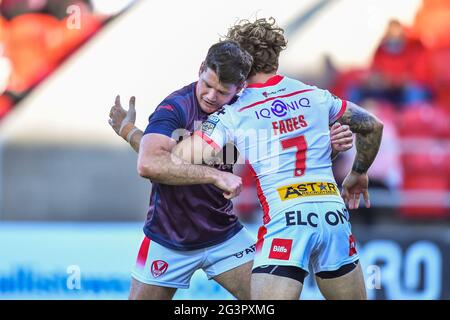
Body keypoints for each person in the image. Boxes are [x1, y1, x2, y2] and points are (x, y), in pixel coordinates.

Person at [109, 40, 353, 300]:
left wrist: (331, 148)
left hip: (224, 235)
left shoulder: (245, 111)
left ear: (240, 88)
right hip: (169, 237)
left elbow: (289, 155)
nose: (211, 96)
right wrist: (216, 175)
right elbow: (149, 163)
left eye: (222, 91)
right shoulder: (175, 107)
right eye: (208, 85)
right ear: (201, 69)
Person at [170, 18, 383, 300]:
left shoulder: (235, 110)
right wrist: (358, 173)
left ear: (241, 64)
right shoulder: (315, 95)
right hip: (332, 215)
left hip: (287, 218)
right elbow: (372, 125)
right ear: (276, 57)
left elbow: (183, 157)